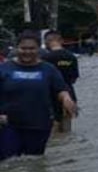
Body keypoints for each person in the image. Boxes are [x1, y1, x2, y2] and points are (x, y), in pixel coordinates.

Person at [0, 30, 76, 161]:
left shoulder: (48, 69)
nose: (27, 52)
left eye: (32, 48)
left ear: (39, 49)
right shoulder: (5, 68)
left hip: (39, 125)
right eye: (23, 48)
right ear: (17, 48)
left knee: (34, 163)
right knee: (9, 163)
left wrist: (66, 98)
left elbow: (61, 89)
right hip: (8, 124)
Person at [42, 30, 80, 132]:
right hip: (69, 94)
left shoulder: (45, 58)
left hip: (50, 96)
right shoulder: (72, 57)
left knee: (53, 129)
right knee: (67, 128)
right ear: (61, 41)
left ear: (46, 42)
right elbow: (74, 78)